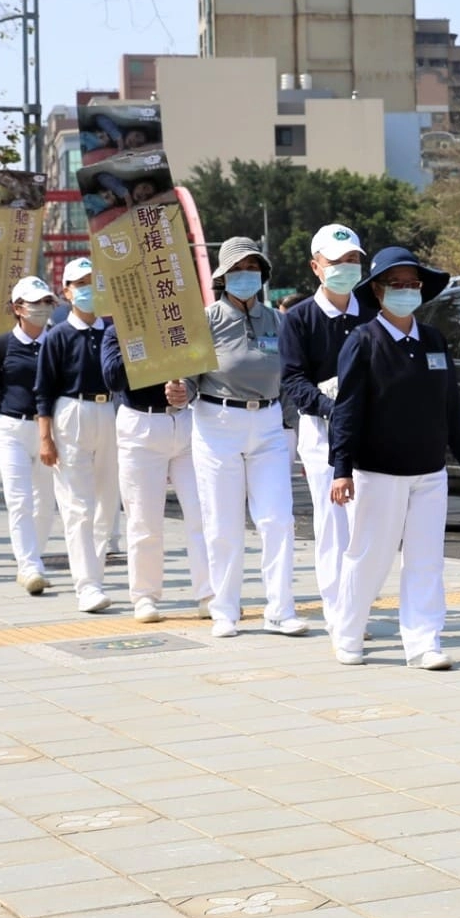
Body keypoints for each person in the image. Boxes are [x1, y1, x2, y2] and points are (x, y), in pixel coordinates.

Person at [328, 247, 460, 669]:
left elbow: (450, 406)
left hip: (430, 472)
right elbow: (347, 409)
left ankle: (423, 641)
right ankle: (347, 632)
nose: (405, 292)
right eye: (395, 285)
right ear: (378, 291)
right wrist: (341, 468)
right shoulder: (363, 341)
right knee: (370, 555)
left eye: (412, 285)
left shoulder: (433, 340)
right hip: (377, 472)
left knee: (425, 558)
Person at [192, 238, 303, 636]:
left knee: (277, 520)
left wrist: (292, 428)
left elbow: (290, 379)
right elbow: (188, 381)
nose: (246, 276)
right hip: (217, 422)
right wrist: (177, 392)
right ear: (224, 277)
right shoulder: (205, 320)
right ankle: (224, 609)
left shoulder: (278, 321)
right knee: (223, 524)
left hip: (269, 424)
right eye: (238, 269)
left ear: (263, 275)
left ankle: (280, 608)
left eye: (253, 268)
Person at [280, 223, 367, 637]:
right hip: (322, 433)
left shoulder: (372, 312)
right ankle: (338, 613)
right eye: (337, 262)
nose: (347, 268)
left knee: (367, 525)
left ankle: (359, 606)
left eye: (353, 260)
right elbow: (293, 380)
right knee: (333, 524)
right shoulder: (299, 319)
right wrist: (334, 407)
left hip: (372, 432)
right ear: (316, 267)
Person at [100, 318, 210, 624]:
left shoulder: (182, 324)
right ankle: (145, 595)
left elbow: (202, 366)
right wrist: (146, 343)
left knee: (202, 513)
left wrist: (186, 387)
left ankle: (210, 592)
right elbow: (113, 377)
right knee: (144, 519)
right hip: (140, 424)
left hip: (185, 423)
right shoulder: (116, 332)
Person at [36, 258, 120, 613]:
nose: (88, 288)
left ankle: (97, 574)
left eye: (93, 281)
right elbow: (44, 390)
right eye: (80, 283)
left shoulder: (113, 330)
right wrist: (46, 437)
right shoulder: (57, 336)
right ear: (66, 292)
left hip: (112, 412)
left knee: (107, 505)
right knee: (77, 505)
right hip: (71, 414)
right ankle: (86, 585)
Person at [0, 276, 59, 594]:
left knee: (46, 502)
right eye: (35, 303)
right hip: (11, 429)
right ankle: (29, 565)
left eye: (47, 302)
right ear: (18, 308)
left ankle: (34, 554)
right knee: (19, 500)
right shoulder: (1, 345)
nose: (42, 308)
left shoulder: (57, 341)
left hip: (49, 431)